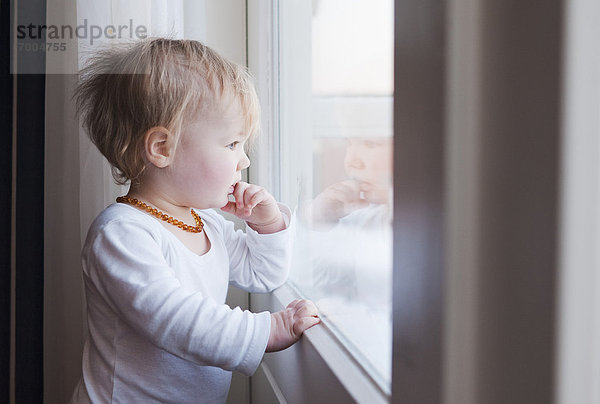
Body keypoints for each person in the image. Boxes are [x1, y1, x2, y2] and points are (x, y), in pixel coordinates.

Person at [69, 38, 319, 403]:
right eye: (232, 144)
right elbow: (177, 321)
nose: (244, 160)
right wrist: (269, 329)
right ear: (162, 148)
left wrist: (267, 225)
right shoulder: (122, 233)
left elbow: (262, 274)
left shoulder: (203, 223)